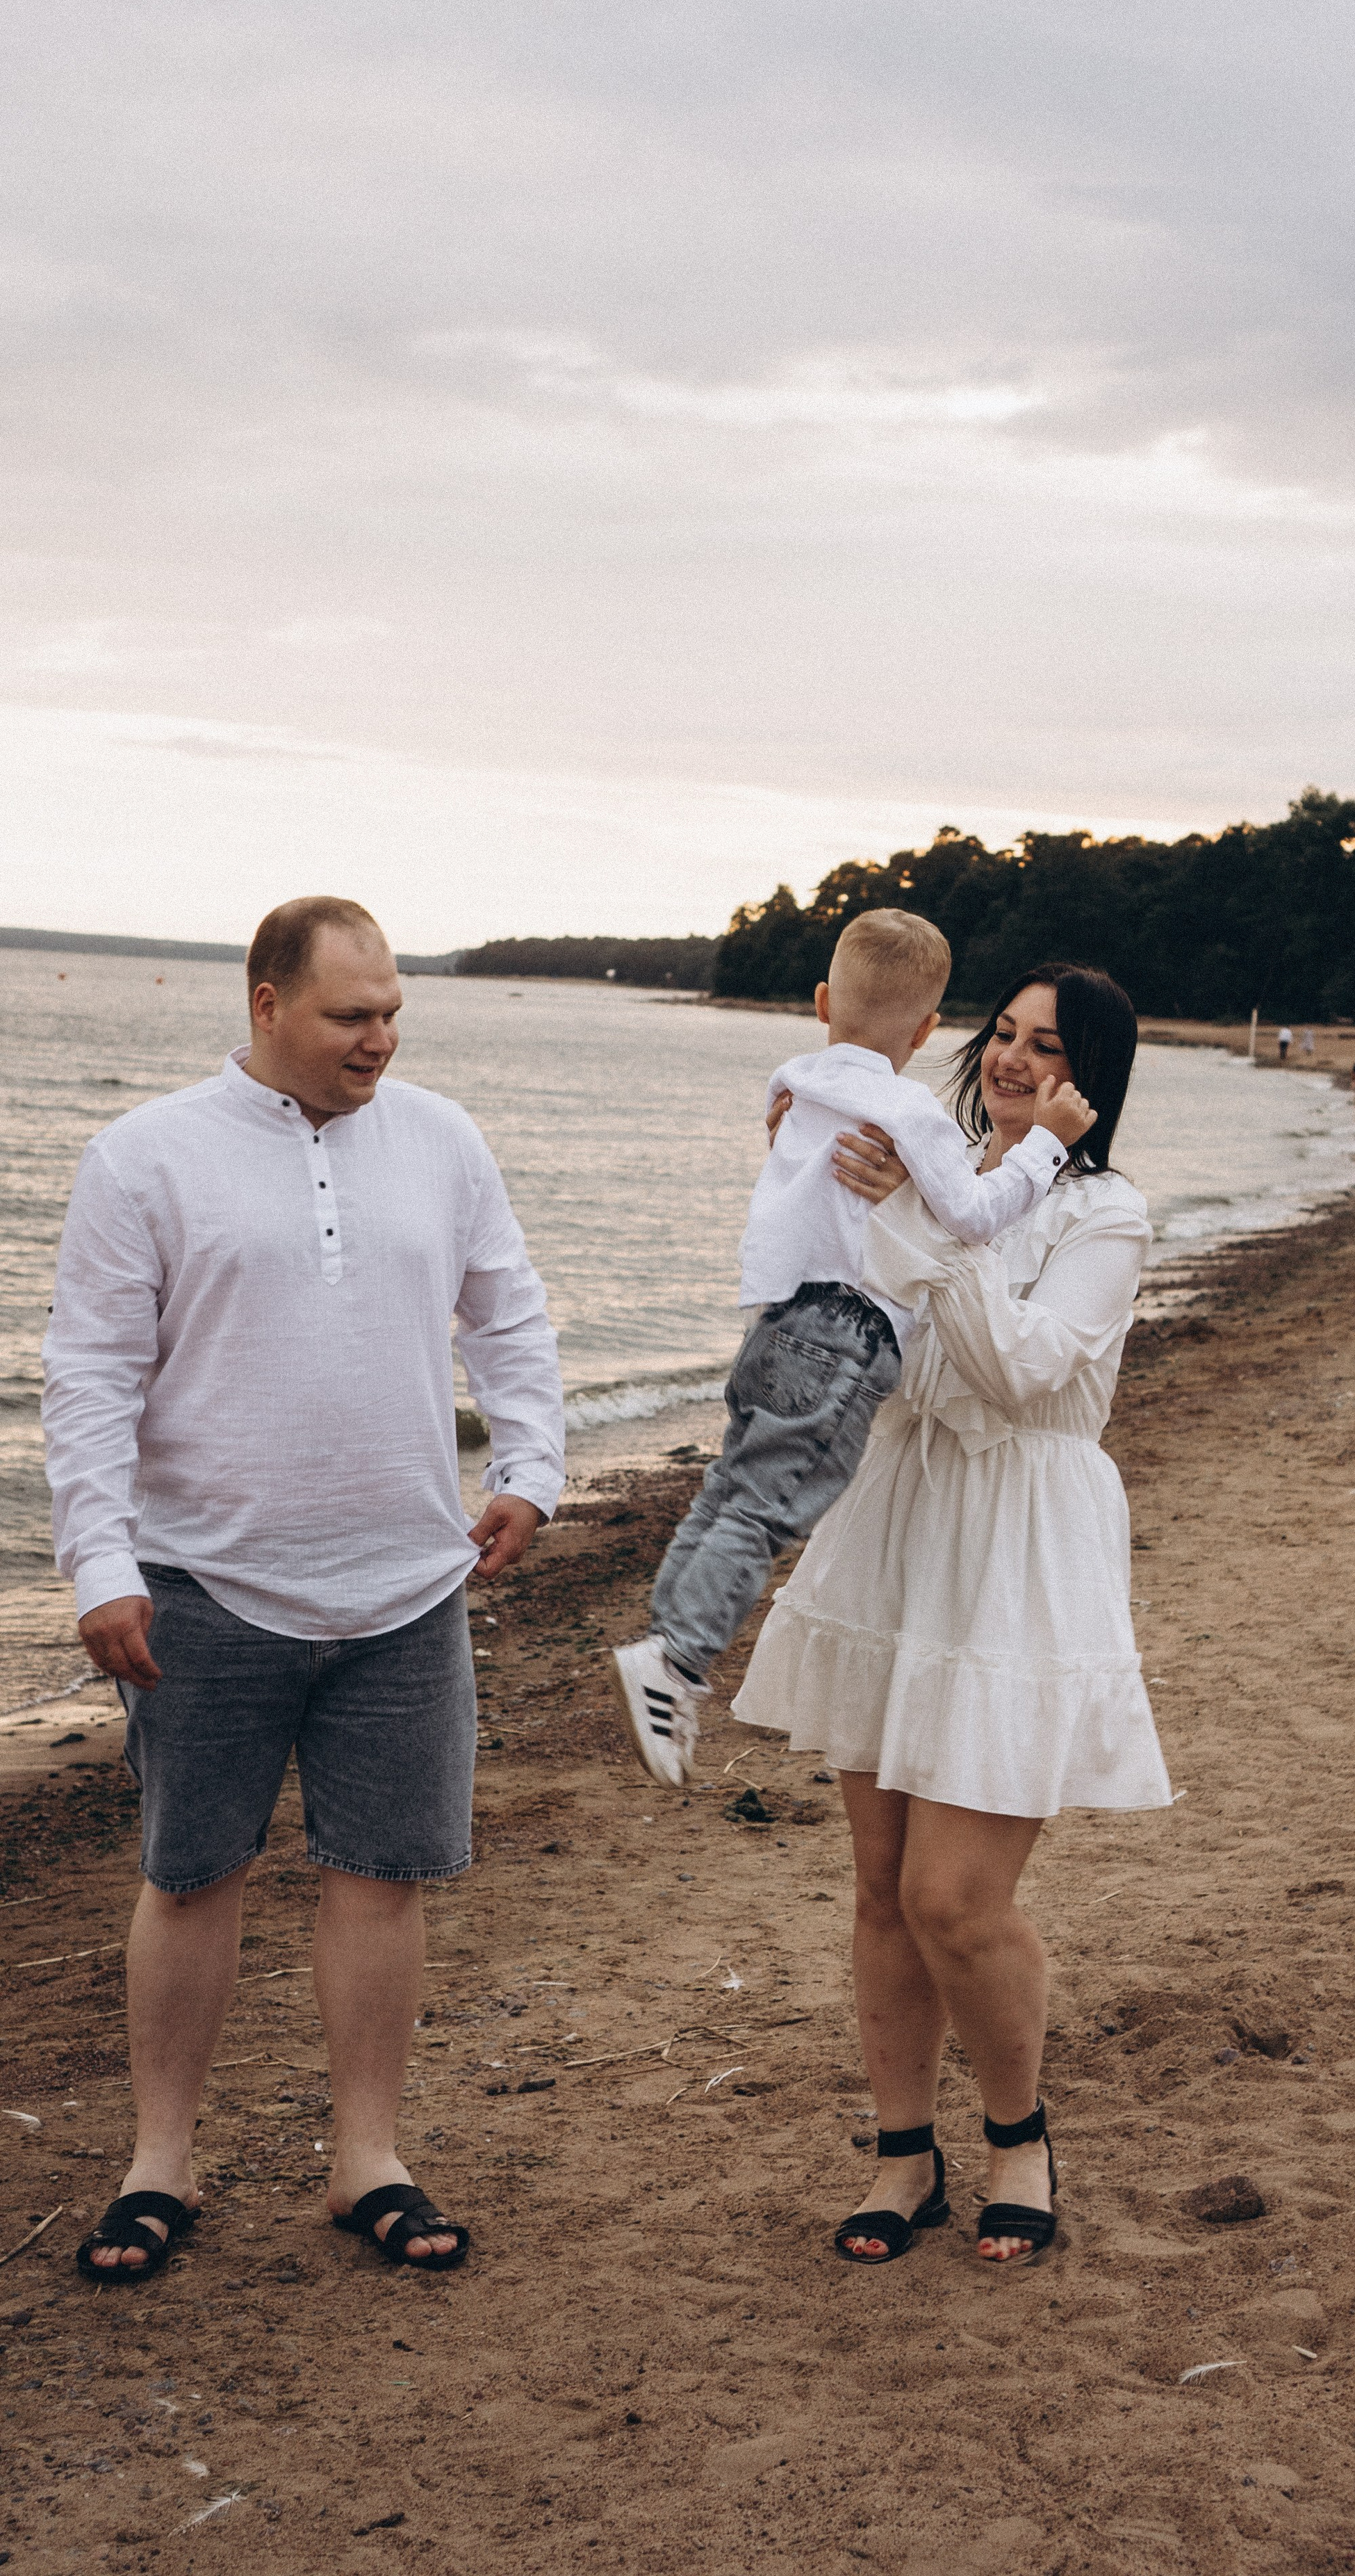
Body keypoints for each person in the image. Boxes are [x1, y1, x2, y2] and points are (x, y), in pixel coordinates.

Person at [42, 897, 563, 2284]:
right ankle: (160, 2163)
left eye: (392, 1011)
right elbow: (90, 1373)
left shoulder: (442, 1142)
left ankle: (367, 2162)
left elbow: (505, 1312)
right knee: (191, 1874)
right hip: (204, 1583)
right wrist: (100, 1562)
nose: (379, 1039)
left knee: (382, 1879)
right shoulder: (144, 1157)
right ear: (267, 1002)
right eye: (351, 1015)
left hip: (407, 1583)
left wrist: (531, 1468)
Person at [734, 963, 1172, 2267]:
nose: (1013, 1061)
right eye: (1005, 1036)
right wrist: (812, 1179)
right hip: (903, 1526)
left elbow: (1024, 1367)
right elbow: (858, 1347)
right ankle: (901, 2153)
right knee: (879, 1888)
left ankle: (1018, 2135)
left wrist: (929, 1231)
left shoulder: (1108, 1215)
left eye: (1049, 1048)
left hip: (1022, 1546)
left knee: (956, 1898)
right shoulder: (923, 1168)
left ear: (1092, 1078)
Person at [608, 909, 1092, 1790]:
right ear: (927, 1031)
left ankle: (664, 1638)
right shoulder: (912, 1111)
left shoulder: (792, 1078)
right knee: (763, 1510)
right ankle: (674, 1664)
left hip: (773, 1323)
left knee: (729, 1488)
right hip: (843, 1334)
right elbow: (974, 1216)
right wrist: (1047, 1150)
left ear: (823, 1000)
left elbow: (794, 1145)